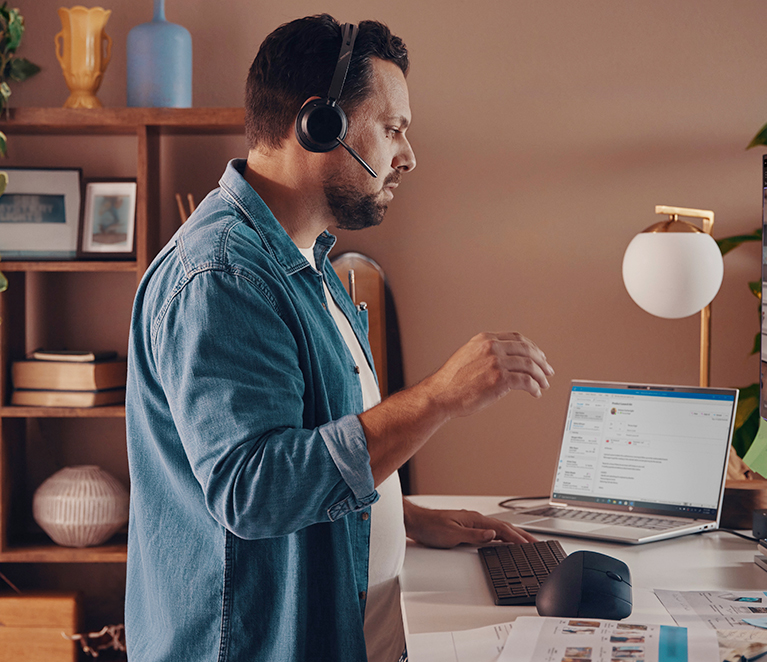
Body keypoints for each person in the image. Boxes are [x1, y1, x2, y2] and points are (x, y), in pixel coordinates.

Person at [124, 16, 554, 662]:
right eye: (392, 129)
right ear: (317, 124)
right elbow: (254, 489)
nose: (407, 155)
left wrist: (396, 514)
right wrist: (438, 396)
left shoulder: (305, 263)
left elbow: (307, 442)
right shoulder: (224, 278)